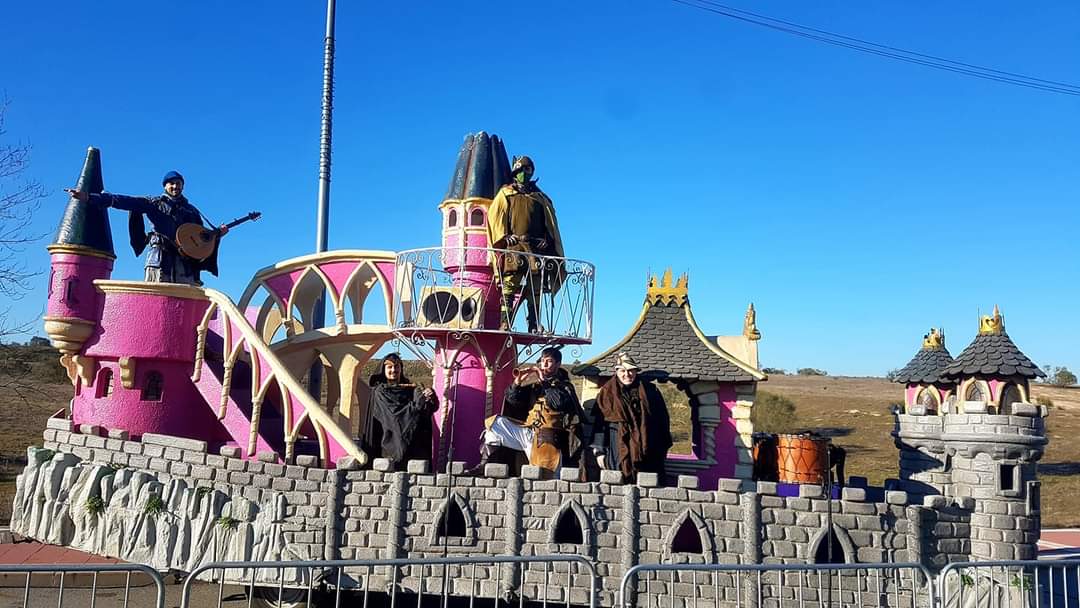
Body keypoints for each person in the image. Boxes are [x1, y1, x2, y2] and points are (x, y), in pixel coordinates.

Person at [65, 171, 227, 285]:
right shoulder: (154, 203)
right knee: (157, 297)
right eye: (172, 183)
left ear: (183, 186)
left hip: (184, 265)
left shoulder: (191, 211)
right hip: (160, 259)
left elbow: (201, 237)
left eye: (178, 183)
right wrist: (90, 197)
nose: (175, 186)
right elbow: (124, 201)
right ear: (165, 186)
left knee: (183, 300)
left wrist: (217, 234)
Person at [466, 347, 584, 475]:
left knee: (546, 478)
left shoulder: (565, 386)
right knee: (494, 425)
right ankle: (484, 466)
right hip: (527, 431)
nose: (543, 364)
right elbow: (513, 401)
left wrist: (544, 381)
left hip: (547, 438)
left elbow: (557, 403)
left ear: (558, 364)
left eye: (549, 361)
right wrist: (518, 382)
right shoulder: (536, 386)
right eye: (542, 361)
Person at [486, 156, 565, 333]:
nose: (523, 174)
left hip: (535, 249)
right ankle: (505, 322)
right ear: (515, 172)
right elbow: (495, 218)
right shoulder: (505, 194)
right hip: (513, 248)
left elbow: (550, 224)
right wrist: (504, 237)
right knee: (509, 285)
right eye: (521, 170)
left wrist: (547, 240)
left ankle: (534, 323)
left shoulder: (540, 198)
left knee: (535, 287)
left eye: (527, 170)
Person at [590, 353, 673, 483]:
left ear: (636, 371)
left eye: (630, 371)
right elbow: (599, 424)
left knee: (647, 485)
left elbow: (663, 419)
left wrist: (662, 447)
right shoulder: (607, 393)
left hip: (647, 446)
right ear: (617, 371)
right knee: (617, 484)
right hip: (616, 445)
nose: (627, 374)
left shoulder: (650, 391)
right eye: (623, 371)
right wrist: (599, 451)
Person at [368, 353, 438, 470]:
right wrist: (417, 404)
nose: (393, 370)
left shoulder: (411, 389)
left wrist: (429, 397)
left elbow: (424, 412)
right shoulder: (380, 392)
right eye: (389, 367)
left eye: (397, 367)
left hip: (413, 446)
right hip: (389, 443)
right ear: (383, 370)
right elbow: (394, 415)